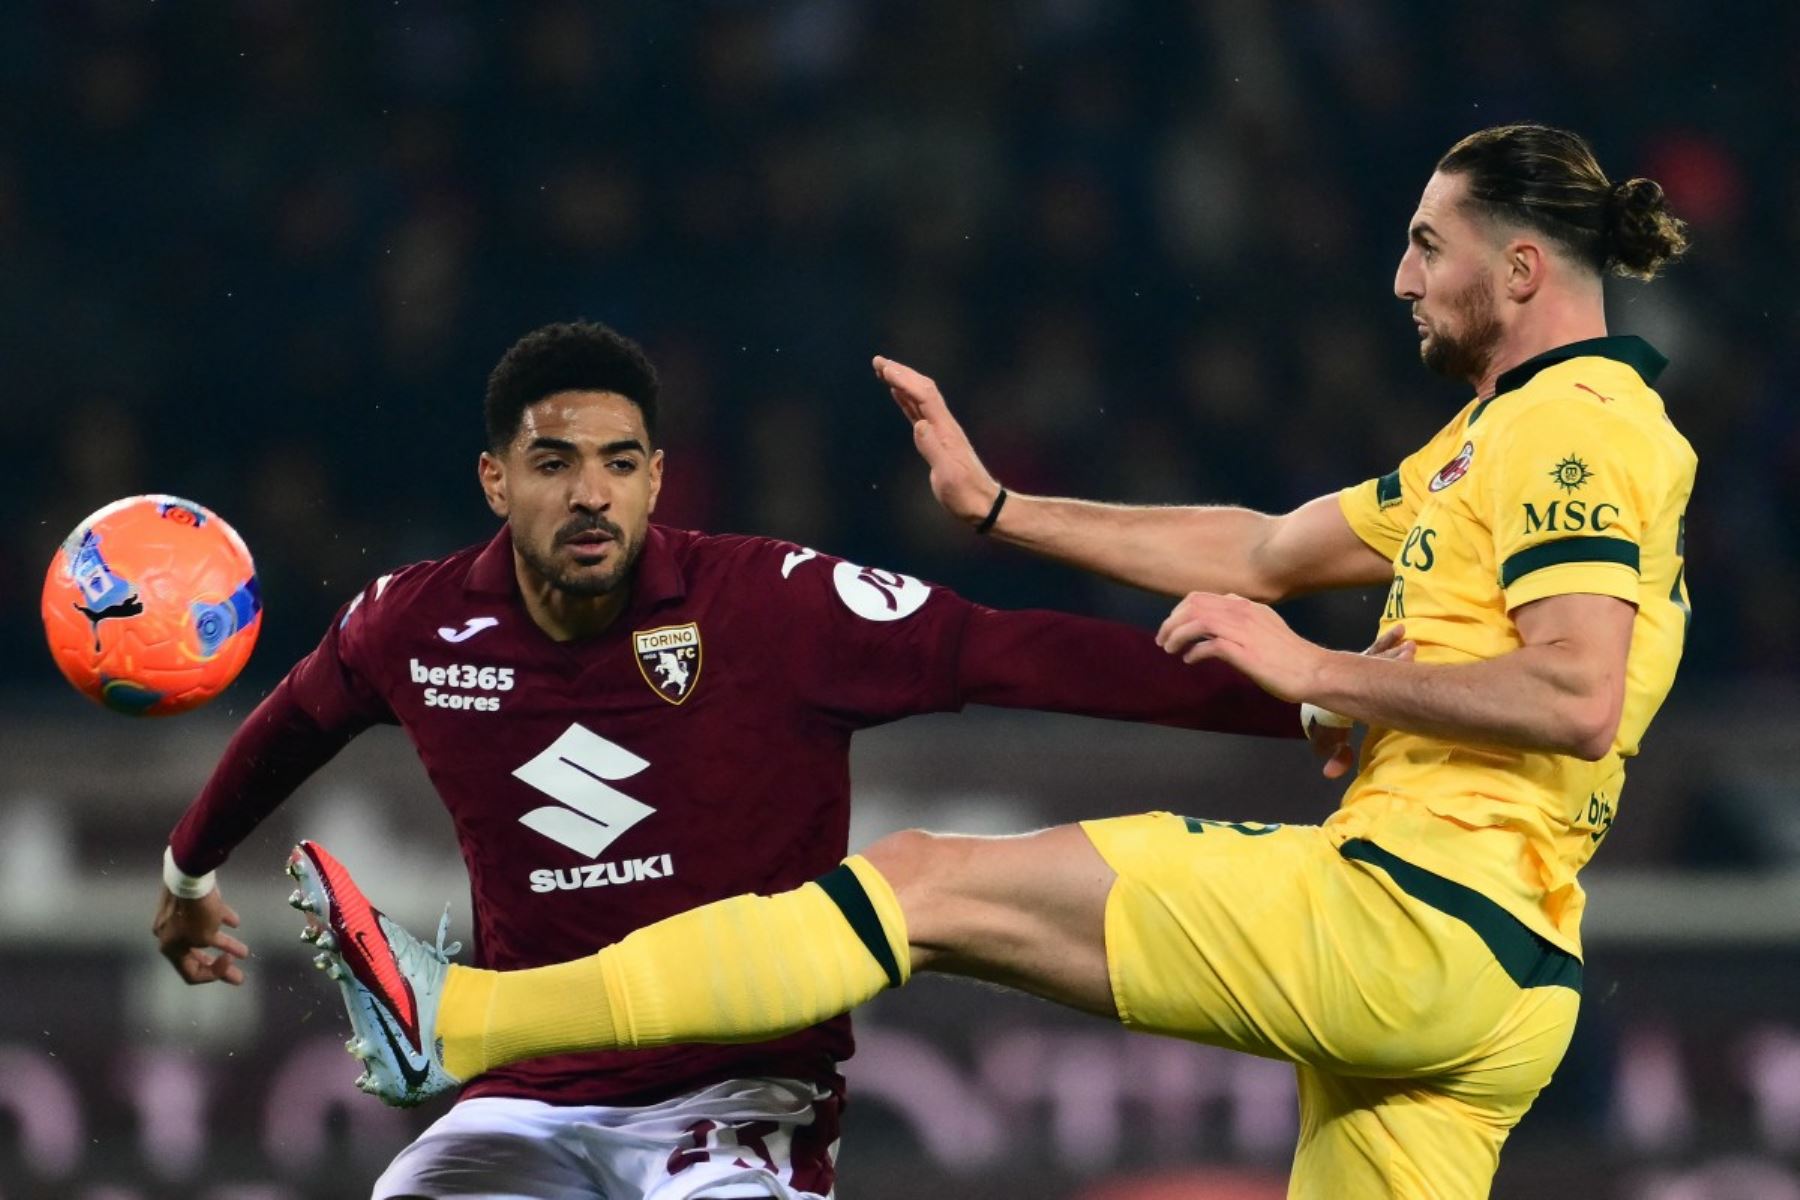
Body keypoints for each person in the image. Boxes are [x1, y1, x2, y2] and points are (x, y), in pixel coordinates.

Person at [294, 124, 1697, 1198]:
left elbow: (1572, 696)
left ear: (1520, 269)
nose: (1400, 277)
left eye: (1428, 245)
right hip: (1505, 981)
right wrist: (1004, 511)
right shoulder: (1490, 440)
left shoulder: (1572, 428)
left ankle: (465, 1018)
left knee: (925, 882)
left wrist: (1311, 673)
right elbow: (1263, 551)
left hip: (1416, 914)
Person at [152, 320, 1347, 1199]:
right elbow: (294, 719)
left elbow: (1022, 657)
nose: (591, 495)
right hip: (525, 1093)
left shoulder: (774, 604)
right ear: (495, 479)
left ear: (659, 477)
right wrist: (188, 877)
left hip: (738, 1101)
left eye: (622, 463)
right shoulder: (414, 624)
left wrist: (1305, 702)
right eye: (556, 461)